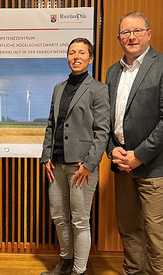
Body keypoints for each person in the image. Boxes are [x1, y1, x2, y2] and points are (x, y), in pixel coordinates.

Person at [40, 38, 110, 275]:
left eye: (82, 52)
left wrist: (90, 164)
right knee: (59, 217)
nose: (76, 56)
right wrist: (45, 157)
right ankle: (66, 262)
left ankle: (79, 270)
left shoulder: (99, 89)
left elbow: (102, 131)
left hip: (82, 169)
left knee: (80, 221)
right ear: (67, 57)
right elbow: (51, 125)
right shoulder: (58, 88)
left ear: (90, 58)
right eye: (72, 52)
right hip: (56, 165)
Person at [106, 11, 163, 275]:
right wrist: (112, 149)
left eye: (137, 30)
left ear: (149, 34)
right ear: (118, 38)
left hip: (153, 168)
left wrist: (139, 154)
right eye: (126, 32)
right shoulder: (112, 72)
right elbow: (105, 118)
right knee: (128, 228)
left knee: (155, 234)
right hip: (121, 165)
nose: (132, 37)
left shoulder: (161, 65)